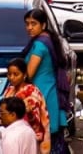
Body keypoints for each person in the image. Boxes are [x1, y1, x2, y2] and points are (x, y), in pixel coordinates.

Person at [21, 8, 69, 154]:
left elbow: (29, 74)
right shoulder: (48, 39)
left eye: (33, 23)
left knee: (43, 142)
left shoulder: (39, 45)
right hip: (50, 94)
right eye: (27, 24)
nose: (29, 27)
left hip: (41, 96)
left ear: (43, 25)